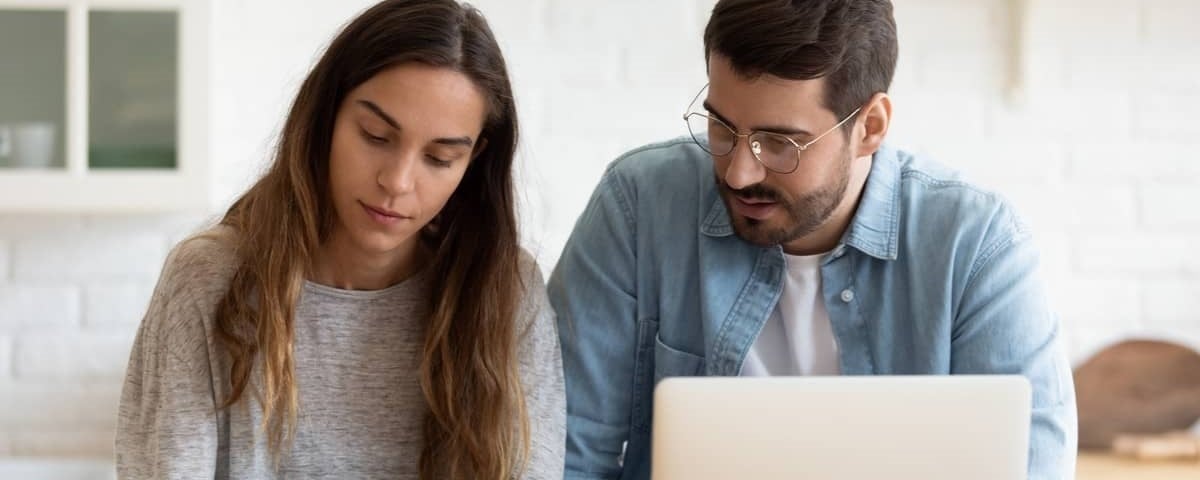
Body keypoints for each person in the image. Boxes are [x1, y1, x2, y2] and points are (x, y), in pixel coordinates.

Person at [547, 0, 1076, 478]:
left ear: (869, 126)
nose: (737, 173)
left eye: (780, 143)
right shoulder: (639, 206)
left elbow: (1033, 470)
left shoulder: (977, 247)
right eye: (723, 129)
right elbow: (565, 456)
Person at [115, 1, 565, 478]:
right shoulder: (209, 279)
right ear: (327, 116)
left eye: (439, 158)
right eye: (375, 136)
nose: (397, 181)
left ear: (473, 161)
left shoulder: (507, 292)